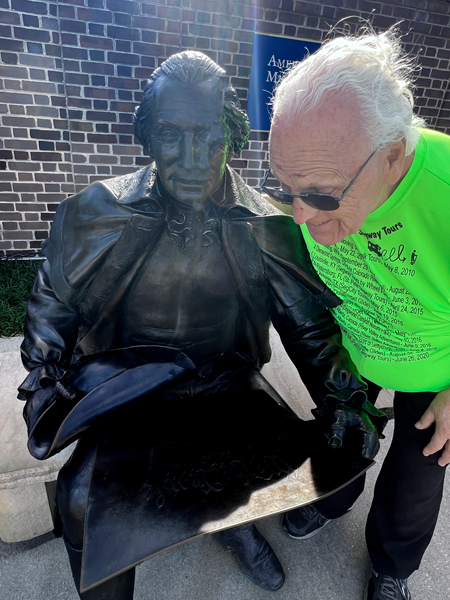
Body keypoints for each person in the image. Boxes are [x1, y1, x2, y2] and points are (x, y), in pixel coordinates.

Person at [18, 51, 384, 599]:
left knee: (269, 466)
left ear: (233, 139)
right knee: (80, 498)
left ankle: (234, 524)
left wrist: (344, 396)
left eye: (209, 138)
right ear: (146, 137)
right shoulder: (95, 212)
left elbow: (307, 327)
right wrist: (46, 376)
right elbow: (54, 304)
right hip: (129, 387)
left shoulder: (264, 225)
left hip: (225, 381)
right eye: (171, 135)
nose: (192, 159)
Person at [267, 25, 450, 600]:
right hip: (356, 348)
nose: (300, 216)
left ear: (393, 154)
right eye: (285, 188)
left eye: (320, 195)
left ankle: (392, 567)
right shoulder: (322, 177)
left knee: (417, 477)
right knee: (339, 436)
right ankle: (331, 500)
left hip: (435, 367)